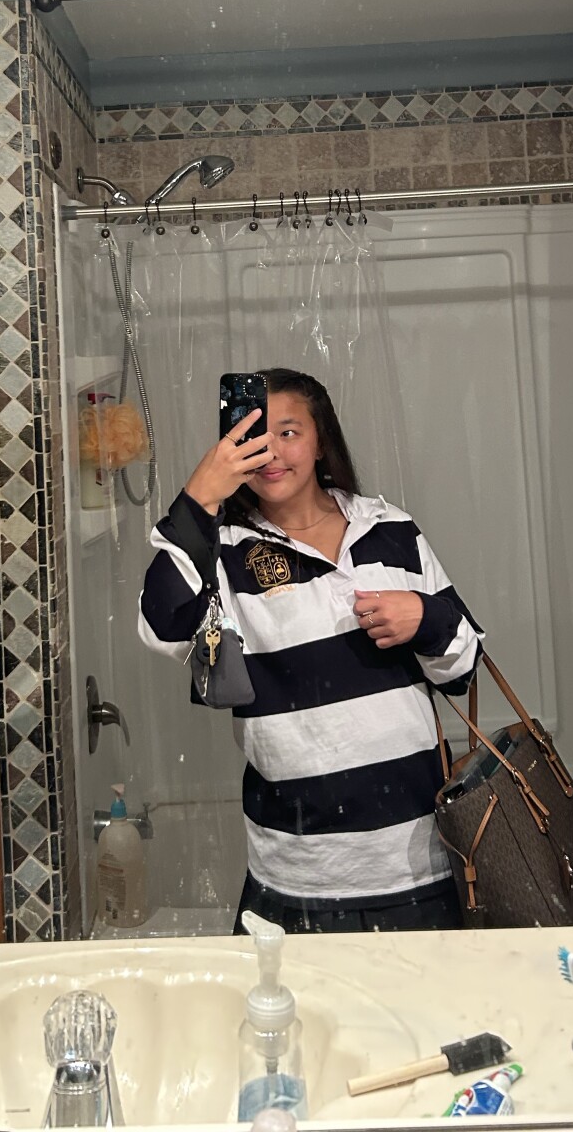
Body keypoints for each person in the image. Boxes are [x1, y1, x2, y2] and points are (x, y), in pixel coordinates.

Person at [138, 367, 484, 934]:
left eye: (289, 432)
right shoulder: (224, 552)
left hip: (417, 860)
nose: (271, 452)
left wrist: (425, 619)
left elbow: (462, 669)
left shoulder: (390, 529)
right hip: (296, 874)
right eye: (255, 435)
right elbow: (161, 626)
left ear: (321, 441)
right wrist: (202, 495)